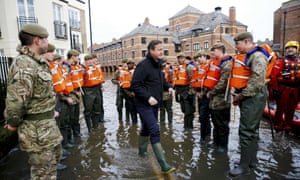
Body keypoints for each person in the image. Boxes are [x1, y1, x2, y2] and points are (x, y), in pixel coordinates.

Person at [4, 23, 63, 179]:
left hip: (48, 128)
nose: (47, 42)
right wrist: (13, 123)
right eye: (46, 39)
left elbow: (41, 95)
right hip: (37, 133)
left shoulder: (37, 62)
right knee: (43, 174)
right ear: (37, 40)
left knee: (51, 167)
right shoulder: (23, 64)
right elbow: (16, 101)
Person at [131, 40, 176, 174]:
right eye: (159, 49)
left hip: (155, 103)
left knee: (146, 128)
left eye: (163, 49)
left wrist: (170, 87)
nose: (161, 52)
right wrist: (148, 97)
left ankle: (142, 152)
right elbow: (135, 85)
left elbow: (161, 82)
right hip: (144, 104)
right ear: (151, 50)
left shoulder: (158, 65)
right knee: (154, 129)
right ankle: (164, 165)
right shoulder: (143, 66)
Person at [229, 32, 268, 177]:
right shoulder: (250, 55)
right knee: (252, 129)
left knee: (246, 130)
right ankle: (252, 161)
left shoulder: (256, 56)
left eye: (237, 44)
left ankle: (244, 166)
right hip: (251, 95)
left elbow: (256, 82)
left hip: (252, 96)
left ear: (246, 41)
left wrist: (240, 95)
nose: (236, 47)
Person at [203, 43, 232, 152]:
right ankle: (216, 142)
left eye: (213, 50)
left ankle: (223, 146)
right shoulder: (215, 63)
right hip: (213, 100)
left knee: (222, 124)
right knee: (215, 122)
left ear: (220, 50)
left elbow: (223, 83)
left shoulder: (226, 64)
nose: (211, 53)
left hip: (222, 100)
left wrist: (212, 92)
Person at [269, 41, 300, 133]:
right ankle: (278, 126)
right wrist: (274, 90)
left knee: (291, 109)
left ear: (297, 49)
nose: (290, 49)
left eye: (293, 48)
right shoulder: (281, 61)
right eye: (288, 48)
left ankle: (288, 126)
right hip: (283, 88)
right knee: (280, 108)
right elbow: (273, 76)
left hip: (296, 89)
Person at [192, 51, 211, 144]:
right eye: (196, 59)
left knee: (204, 116)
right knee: (202, 116)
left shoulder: (209, 66)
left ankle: (204, 137)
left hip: (207, 95)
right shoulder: (198, 68)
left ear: (204, 56)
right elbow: (197, 81)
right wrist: (197, 91)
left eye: (199, 57)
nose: (198, 60)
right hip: (200, 95)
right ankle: (206, 134)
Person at [173, 53, 195, 129]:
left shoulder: (189, 67)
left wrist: (190, 92)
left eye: (181, 58)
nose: (180, 60)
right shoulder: (178, 68)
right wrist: (176, 93)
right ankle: (186, 128)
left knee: (188, 112)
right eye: (179, 58)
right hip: (180, 91)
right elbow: (176, 80)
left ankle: (188, 128)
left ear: (184, 58)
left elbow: (193, 80)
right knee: (184, 110)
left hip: (187, 91)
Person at [81, 54, 103, 132]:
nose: (91, 61)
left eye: (91, 60)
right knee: (88, 110)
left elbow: (99, 77)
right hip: (87, 90)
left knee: (97, 108)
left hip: (96, 88)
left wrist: (101, 86)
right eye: (89, 60)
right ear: (85, 61)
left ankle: (95, 126)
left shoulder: (95, 67)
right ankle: (89, 128)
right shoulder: (82, 68)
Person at [122, 59, 138, 124]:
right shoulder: (124, 73)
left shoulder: (137, 72)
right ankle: (134, 123)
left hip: (137, 94)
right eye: (128, 64)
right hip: (128, 94)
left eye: (131, 64)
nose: (129, 65)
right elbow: (122, 84)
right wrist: (128, 93)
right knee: (131, 109)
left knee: (139, 109)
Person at [160, 59, 173, 124]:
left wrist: (170, 87)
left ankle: (170, 123)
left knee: (169, 109)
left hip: (167, 92)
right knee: (162, 109)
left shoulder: (170, 71)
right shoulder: (157, 71)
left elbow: (171, 81)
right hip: (160, 92)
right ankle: (162, 124)